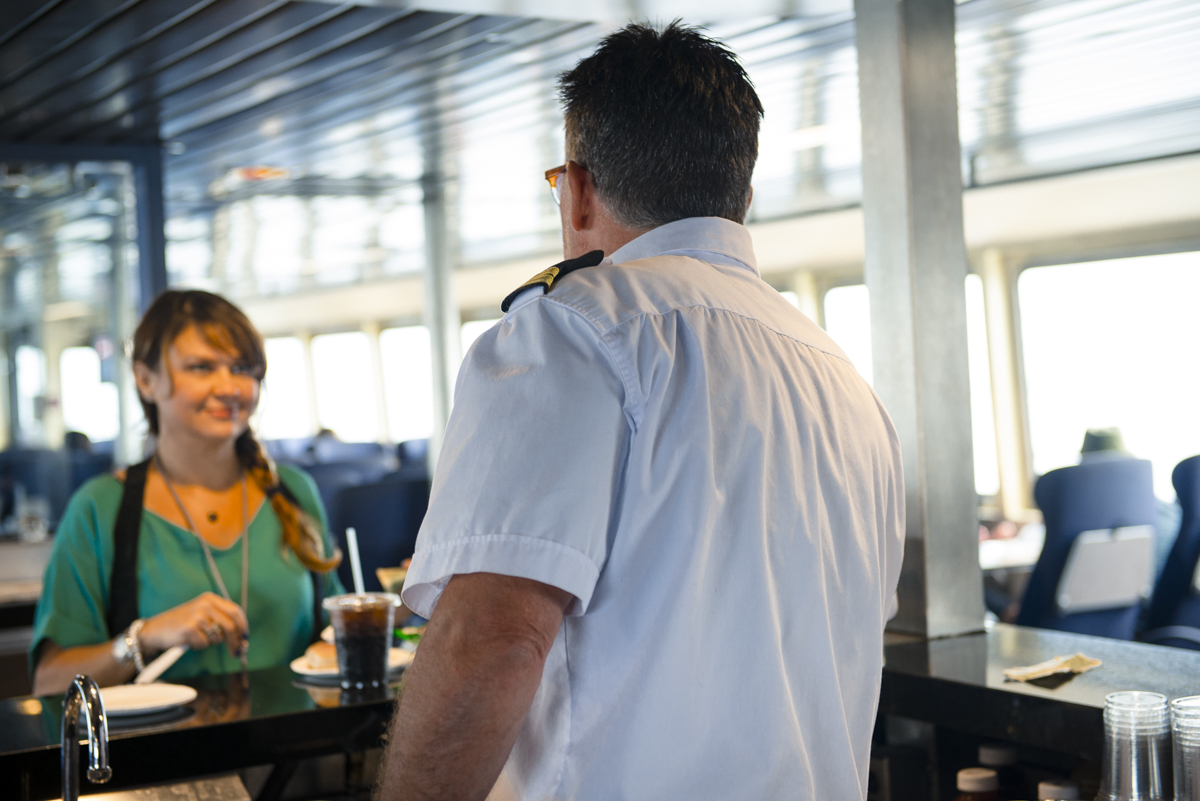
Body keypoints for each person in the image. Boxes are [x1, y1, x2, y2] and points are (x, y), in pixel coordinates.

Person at [378, 23, 904, 800]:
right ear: (742, 197)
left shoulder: (569, 330)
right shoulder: (846, 383)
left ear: (579, 190)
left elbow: (490, 636)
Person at [31, 290, 343, 695]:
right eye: (201, 367)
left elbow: (335, 638)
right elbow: (50, 682)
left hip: (295, 750)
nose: (229, 387)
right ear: (145, 380)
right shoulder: (101, 508)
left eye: (243, 368)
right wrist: (143, 637)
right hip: (159, 755)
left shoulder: (293, 491)